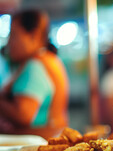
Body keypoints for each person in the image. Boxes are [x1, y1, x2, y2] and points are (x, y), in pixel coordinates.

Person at [0, 9, 69, 139]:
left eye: (13, 35)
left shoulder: (35, 66)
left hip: (38, 147)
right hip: (51, 141)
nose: (9, 43)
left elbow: (23, 115)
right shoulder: (50, 59)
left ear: (33, 35)